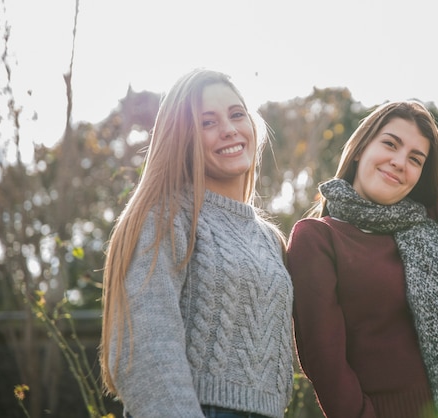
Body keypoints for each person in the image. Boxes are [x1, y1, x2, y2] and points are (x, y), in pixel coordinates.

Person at [286, 100, 438, 418]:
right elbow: (324, 360)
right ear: (359, 149)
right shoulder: (318, 238)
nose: (399, 162)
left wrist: (434, 138)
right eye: (389, 144)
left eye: (415, 159)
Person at [99, 68, 294, 418]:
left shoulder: (270, 239)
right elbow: (144, 350)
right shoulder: (165, 217)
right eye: (207, 122)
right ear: (182, 137)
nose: (229, 129)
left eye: (237, 114)